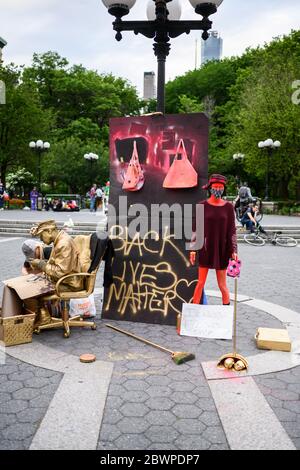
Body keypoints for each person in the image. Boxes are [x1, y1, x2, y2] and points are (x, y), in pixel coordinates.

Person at [190, 174, 237, 306]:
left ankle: (226, 313)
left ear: (224, 189)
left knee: (222, 285)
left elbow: (232, 230)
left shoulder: (228, 207)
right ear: (210, 188)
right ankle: (193, 312)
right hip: (205, 248)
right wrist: (193, 249)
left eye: (220, 187)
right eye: (215, 187)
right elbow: (195, 229)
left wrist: (234, 249)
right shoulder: (201, 206)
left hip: (222, 249)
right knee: (200, 283)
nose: (218, 189)